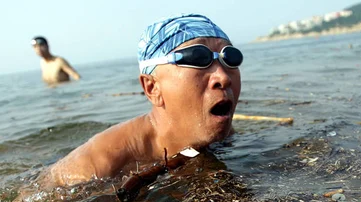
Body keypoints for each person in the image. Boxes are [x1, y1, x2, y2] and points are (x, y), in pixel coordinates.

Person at [40, 14, 242, 187]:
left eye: (230, 58)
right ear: (152, 88)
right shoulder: (98, 165)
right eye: (197, 58)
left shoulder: (221, 135)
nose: (223, 77)